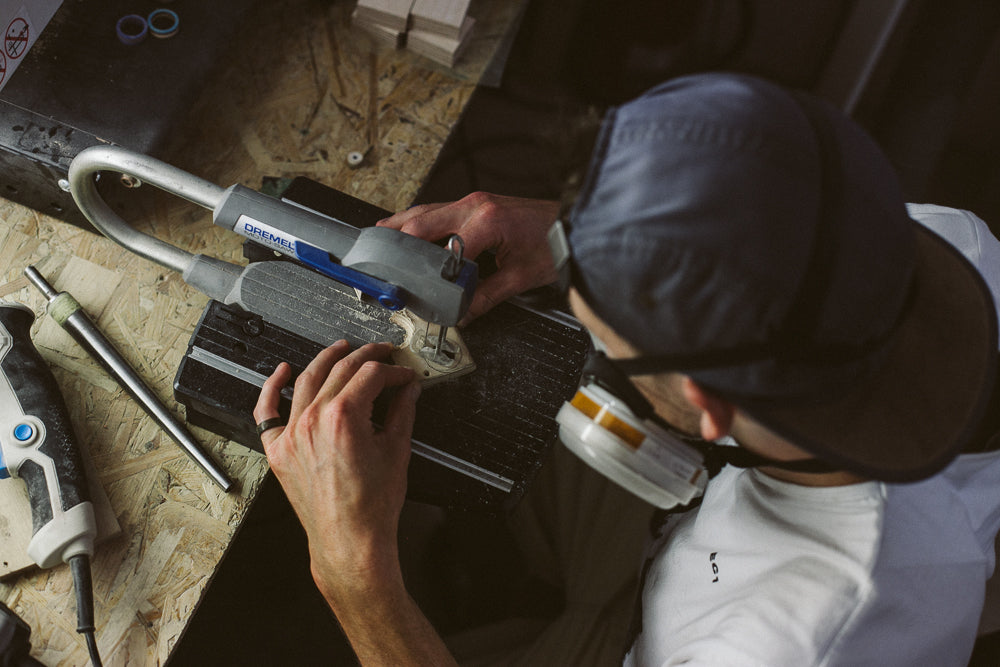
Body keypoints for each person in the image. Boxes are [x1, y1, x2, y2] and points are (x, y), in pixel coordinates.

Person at [252, 72, 1000, 665]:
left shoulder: (784, 642)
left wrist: (359, 583)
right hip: (686, 532)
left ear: (706, 407)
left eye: (607, 346)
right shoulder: (941, 253)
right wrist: (577, 232)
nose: (596, 349)